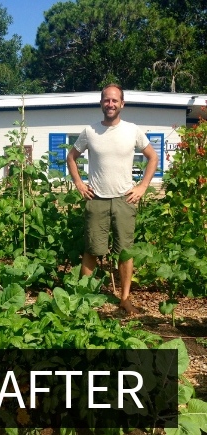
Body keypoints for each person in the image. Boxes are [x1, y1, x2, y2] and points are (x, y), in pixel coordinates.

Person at [66, 83, 159, 315]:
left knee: (125, 252)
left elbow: (153, 157)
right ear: (101, 103)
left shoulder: (132, 130)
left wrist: (143, 186)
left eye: (114, 100)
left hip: (124, 200)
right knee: (92, 251)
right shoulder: (90, 132)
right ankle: (83, 300)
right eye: (106, 100)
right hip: (96, 199)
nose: (110, 104)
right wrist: (79, 183)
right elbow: (71, 157)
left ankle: (125, 299)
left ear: (122, 104)